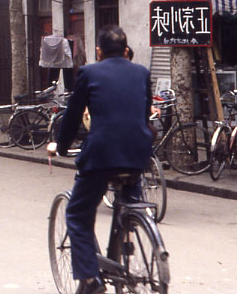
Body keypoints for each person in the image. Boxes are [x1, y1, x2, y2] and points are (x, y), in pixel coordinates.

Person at [48, 25, 153, 294]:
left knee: (77, 213)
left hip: (102, 155)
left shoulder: (89, 73)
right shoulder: (142, 73)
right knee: (130, 200)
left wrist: (61, 146)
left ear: (99, 51)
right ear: (126, 50)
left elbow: (73, 115)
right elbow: (142, 117)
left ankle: (90, 279)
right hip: (138, 154)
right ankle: (128, 233)